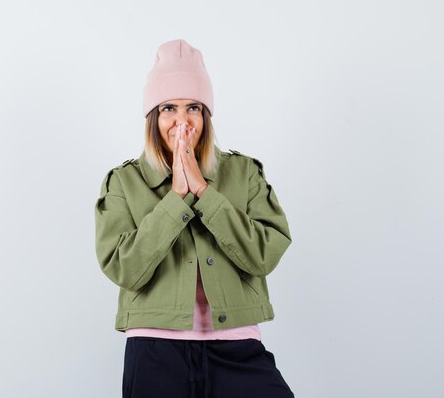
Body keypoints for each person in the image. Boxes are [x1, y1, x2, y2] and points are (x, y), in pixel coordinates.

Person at [94, 39, 295, 398]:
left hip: (236, 348)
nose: (183, 122)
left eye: (194, 108)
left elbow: (264, 255)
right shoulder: (123, 182)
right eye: (169, 108)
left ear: (206, 115)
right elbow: (124, 268)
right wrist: (175, 199)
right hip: (155, 350)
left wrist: (204, 192)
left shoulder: (244, 172)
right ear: (154, 117)